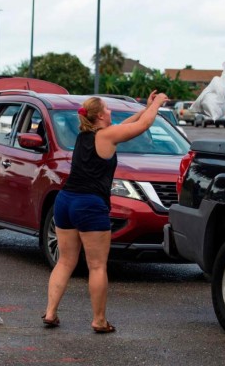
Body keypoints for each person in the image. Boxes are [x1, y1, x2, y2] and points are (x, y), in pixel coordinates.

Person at [43, 90, 168, 334]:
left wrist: (148, 105)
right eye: (108, 110)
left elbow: (128, 124)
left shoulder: (84, 135)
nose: (111, 112)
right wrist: (160, 104)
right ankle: (99, 320)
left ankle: (50, 312)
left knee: (66, 260)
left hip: (66, 200)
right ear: (100, 115)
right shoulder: (106, 136)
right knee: (97, 266)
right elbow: (143, 125)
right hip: (89, 204)